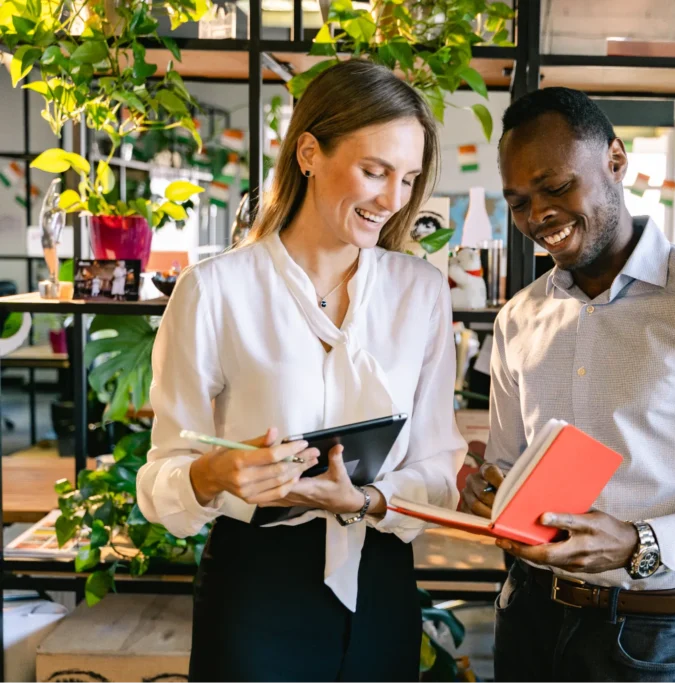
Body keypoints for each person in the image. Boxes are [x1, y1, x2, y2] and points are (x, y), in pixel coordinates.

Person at [136, 60, 466, 683]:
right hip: (257, 585)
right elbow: (161, 476)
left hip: (380, 579)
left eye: (409, 178)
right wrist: (211, 475)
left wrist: (367, 498)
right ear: (309, 152)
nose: (393, 200)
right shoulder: (215, 290)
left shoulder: (419, 290)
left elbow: (438, 464)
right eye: (375, 171)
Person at [462, 87, 675, 682]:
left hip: (650, 633)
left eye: (556, 186)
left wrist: (639, 542)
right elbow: (508, 466)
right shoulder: (518, 315)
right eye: (519, 202)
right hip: (526, 617)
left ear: (616, 161)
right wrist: (490, 496)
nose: (537, 214)